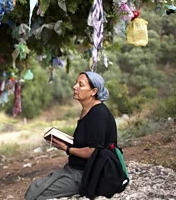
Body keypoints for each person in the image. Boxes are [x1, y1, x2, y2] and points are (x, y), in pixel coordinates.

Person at [25, 71, 117, 200]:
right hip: (73, 168)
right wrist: (62, 140)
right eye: (76, 83)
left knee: (38, 195)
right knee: (34, 188)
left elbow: (93, 151)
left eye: (81, 85)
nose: (75, 87)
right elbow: (85, 141)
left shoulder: (98, 114)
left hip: (88, 174)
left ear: (93, 91)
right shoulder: (86, 110)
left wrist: (66, 148)